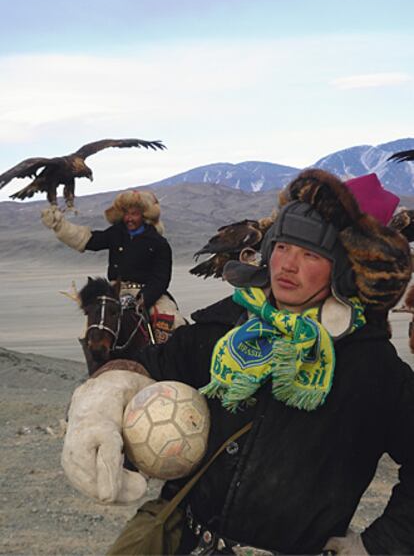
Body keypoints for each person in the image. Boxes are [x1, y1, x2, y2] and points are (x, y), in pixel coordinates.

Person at [61, 169, 414, 555]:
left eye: (310, 254)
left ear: (346, 270)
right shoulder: (225, 327)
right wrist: (100, 405)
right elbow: (149, 366)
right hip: (185, 542)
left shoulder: (373, 370)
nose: (287, 265)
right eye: (282, 247)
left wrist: (378, 545)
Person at [41, 189, 185, 342]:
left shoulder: (158, 243)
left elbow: (161, 279)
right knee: (95, 328)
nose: (129, 219)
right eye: (126, 214)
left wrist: (143, 299)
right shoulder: (117, 233)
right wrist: (60, 225)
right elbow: (90, 240)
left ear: (144, 215)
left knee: (173, 322)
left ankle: (170, 363)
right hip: (114, 292)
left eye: (134, 214)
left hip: (147, 295)